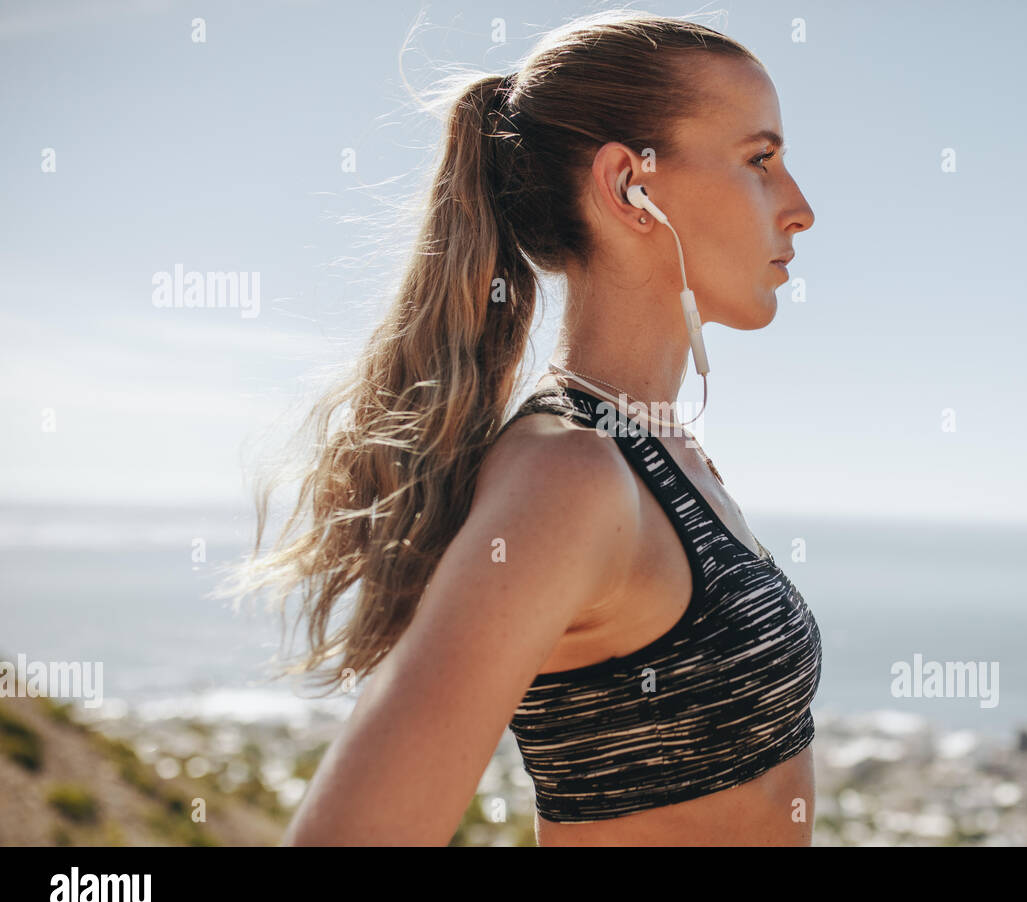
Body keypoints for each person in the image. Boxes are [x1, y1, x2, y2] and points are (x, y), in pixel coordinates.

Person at [227, 11, 818, 846]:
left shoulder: (655, 450)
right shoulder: (568, 475)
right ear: (629, 188)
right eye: (761, 160)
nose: (800, 209)